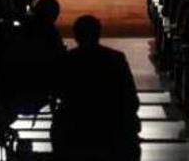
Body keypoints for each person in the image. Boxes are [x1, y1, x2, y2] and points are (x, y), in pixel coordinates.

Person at [51, 15, 140, 161]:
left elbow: (57, 91)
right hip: (112, 126)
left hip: (73, 125)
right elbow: (130, 97)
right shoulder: (116, 58)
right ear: (98, 34)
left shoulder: (67, 60)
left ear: (76, 36)